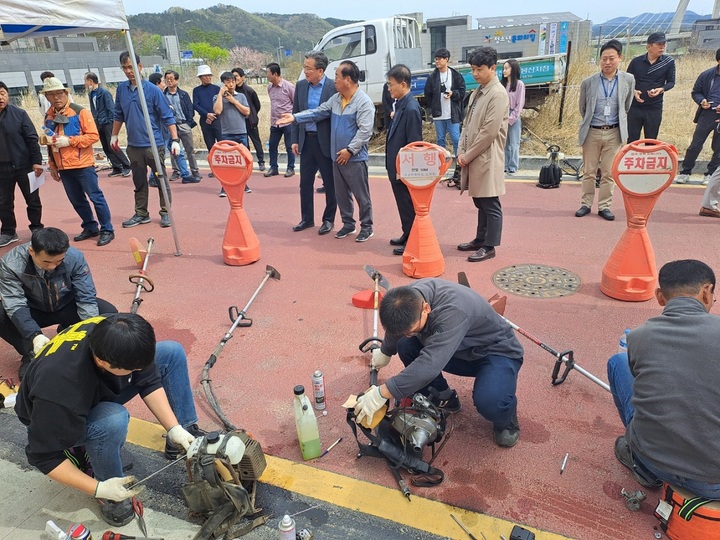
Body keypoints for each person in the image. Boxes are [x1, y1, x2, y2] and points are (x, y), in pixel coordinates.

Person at [14, 312, 206, 526]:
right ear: (101, 361)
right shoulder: (59, 391)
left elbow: (148, 379)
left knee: (171, 352)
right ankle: (112, 491)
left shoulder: (111, 331)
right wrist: (98, 488)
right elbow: (43, 456)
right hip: (54, 415)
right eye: (133, 369)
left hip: (91, 388)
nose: (139, 371)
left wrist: (174, 428)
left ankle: (185, 436)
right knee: (112, 419)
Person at [355, 279, 524, 447]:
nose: (408, 334)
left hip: (495, 353)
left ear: (426, 309)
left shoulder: (452, 312)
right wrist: (386, 350)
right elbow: (398, 329)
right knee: (405, 344)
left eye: (412, 330)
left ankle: (506, 420)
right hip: (457, 348)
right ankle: (443, 397)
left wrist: (382, 393)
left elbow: (429, 365)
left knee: (490, 401)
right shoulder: (407, 298)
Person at [607, 259, 720, 499]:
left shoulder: (639, 337)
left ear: (659, 296)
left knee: (618, 362)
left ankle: (641, 464)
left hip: (654, 461)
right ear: (707, 291)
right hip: (714, 482)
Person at [278, 60, 376, 242]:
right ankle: (348, 224)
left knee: (361, 195)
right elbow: (317, 112)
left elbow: (365, 132)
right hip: (336, 156)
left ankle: (367, 226)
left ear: (348, 79)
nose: (335, 80)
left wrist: (350, 150)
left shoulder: (363, 102)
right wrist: (294, 117)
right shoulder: (337, 99)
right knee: (341, 194)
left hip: (353, 158)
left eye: (337, 77)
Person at [0, 227, 117, 379]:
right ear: (31, 251)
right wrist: (34, 336)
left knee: (108, 313)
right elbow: (15, 304)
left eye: (58, 261)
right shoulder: (10, 264)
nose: (52, 267)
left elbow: (86, 296)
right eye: (46, 262)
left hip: (66, 305)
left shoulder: (74, 257)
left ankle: (69, 330)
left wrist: (90, 330)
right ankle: (30, 352)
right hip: (32, 309)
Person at [41, 77, 115, 247]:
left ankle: (107, 229)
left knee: (96, 197)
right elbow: (51, 143)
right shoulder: (49, 116)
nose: (56, 97)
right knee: (77, 200)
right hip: (64, 167)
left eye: (59, 93)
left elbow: (93, 136)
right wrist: (53, 166)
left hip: (83, 165)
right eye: (51, 94)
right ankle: (90, 226)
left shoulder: (80, 112)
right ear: (46, 97)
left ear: (66, 93)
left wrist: (70, 141)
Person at [111, 51, 180, 229]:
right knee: (139, 181)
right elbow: (118, 114)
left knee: (161, 179)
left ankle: (166, 213)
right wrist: (114, 135)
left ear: (140, 66)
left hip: (153, 144)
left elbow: (167, 116)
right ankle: (141, 213)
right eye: (125, 68)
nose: (128, 71)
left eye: (131, 67)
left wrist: (175, 139)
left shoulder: (152, 90)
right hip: (134, 146)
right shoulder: (121, 90)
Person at [456, 47, 509, 263]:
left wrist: (466, 155)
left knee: (490, 202)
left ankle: (489, 246)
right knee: (480, 200)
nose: (475, 73)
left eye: (479, 69)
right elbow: (467, 125)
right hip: (475, 156)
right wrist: (461, 150)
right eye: (472, 69)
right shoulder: (479, 91)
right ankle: (480, 238)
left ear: (493, 68)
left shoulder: (497, 94)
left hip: (486, 157)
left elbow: (489, 132)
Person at [575, 39, 634, 221]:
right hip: (592, 131)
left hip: (614, 132)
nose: (607, 62)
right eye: (604, 59)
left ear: (619, 58)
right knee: (589, 171)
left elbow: (627, 105)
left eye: (611, 58)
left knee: (609, 173)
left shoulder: (628, 80)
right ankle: (586, 204)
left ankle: (604, 206)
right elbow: (583, 108)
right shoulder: (589, 82)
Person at [290, 51, 337, 235]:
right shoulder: (301, 86)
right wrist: (294, 139)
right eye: (304, 68)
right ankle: (307, 218)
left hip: (325, 142)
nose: (305, 72)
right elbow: (295, 113)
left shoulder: (333, 87)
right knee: (305, 183)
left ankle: (328, 219)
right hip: (306, 141)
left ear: (321, 70)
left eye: (308, 69)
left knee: (330, 183)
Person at [384, 64, 423, 256]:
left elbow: (414, 144)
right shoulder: (400, 104)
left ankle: (412, 240)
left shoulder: (411, 108)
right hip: (396, 166)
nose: (389, 88)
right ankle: (407, 234)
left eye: (391, 84)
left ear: (403, 84)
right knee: (402, 204)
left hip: (404, 168)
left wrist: (405, 170)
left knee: (408, 204)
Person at [0, 81, 44, 248]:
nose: (0, 97)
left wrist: (37, 162)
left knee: (32, 199)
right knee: (3, 201)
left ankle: (36, 228)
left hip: (25, 166)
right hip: (1, 168)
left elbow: (32, 139)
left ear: (7, 95)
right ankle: (8, 231)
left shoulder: (19, 114)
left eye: (3, 93)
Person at [675, 48, 720, 185]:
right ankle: (685, 172)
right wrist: (702, 101)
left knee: (718, 148)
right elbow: (696, 92)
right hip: (707, 114)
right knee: (695, 145)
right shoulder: (707, 75)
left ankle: (710, 174)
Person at [148, 73, 197, 186]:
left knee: (178, 151)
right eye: (163, 81)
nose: (165, 83)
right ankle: (153, 177)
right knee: (161, 153)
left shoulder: (161, 94)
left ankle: (185, 174)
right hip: (160, 130)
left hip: (168, 129)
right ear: (157, 83)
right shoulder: (154, 95)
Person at [626, 32, 675, 144]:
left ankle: (648, 160)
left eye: (664, 44)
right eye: (659, 44)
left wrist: (661, 89)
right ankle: (633, 160)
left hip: (654, 107)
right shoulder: (636, 61)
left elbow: (671, 82)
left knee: (651, 140)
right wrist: (633, 91)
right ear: (648, 46)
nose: (662, 47)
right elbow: (627, 81)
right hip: (635, 107)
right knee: (632, 139)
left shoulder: (668, 62)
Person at [84, 73, 131, 177]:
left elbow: (111, 109)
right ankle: (117, 167)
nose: (85, 84)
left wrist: (110, 122)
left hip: (107, 123)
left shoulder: (104, 93)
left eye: (86, 81)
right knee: (105, 147)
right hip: (98, 123)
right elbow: (94, 110)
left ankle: (126, 165)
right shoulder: (91, 94)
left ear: (91, 81)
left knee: (112, 145)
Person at [213, 71, 252, 195]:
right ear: (223, 83)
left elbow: (247, 112)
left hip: (241, 132)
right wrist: (221, 94)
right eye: (228, 82)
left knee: (243, 161)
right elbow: (217, 111)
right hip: (226, 134)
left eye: (233, 81)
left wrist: (233, 101)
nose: (231, 84)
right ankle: (225, 186)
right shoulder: (217, 97)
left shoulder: (241, 96)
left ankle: (243, 183)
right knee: (227, 162)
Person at [423, 48, 466, 158]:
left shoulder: (455, 75)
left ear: (446, 59)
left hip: (452, 114)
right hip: (438, 115)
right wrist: (433, 106)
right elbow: (427, 94)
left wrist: (453, 94)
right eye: (436, 59)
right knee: (440, 140)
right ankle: (441, 164)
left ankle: (459, 167)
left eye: (439, 59)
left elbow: (462, 92)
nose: (437, 61)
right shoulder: (432, 77)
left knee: (456, 139)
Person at [164, 70, 202, 182]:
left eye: (171, 78)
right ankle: (176, 171)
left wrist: (188, 123)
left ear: (177, 80)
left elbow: (190, 108)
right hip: (170, 126)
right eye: (167, 79)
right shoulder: (163, 95)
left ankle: (195, 171)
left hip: (183, 124)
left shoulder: (183, 94)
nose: (169, 81)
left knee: (189, 149)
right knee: (173, 150)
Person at [265, 63, 296, 178]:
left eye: (268, 73)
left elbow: (295, 103)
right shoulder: (269, 87)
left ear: (275, 74)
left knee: (289, 146)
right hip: (275, 122)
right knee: (272, 145)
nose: (267, 76)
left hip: (287, 123)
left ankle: (290, 168)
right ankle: (273, 168)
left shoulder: (289, 87)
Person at [232, 68, 265, 172]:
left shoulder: (249, 90)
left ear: (243, 77)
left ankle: (261, 162)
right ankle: (247, 163)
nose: (235, 78)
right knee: (243, 144)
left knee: (256, 142)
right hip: (239, 122)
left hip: (250, 121)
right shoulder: (232, 92)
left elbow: (257, 105)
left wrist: (253, 115)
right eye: (233, 76)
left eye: (236, 76)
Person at [192, 65, 222, 178]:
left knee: (221, 144)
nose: (208, 78)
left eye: (209, 75)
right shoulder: (197, 90)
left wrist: (214, 114)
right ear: (200, 77)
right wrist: (206, 114)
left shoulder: (216, 88)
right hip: (205, 121)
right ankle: (215, 169)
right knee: (211, 146)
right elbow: (195, 105)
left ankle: (223, 167)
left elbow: (220, 103)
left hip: (217, 119)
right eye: (205, 76)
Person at [501, 59, 525, 175]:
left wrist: (511, 118)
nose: (504, 71)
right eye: (503, 68)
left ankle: (513, 166)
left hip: (513, 115)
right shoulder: (502, 85)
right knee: (503, 143)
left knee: (514, 143)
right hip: (502, 114)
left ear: (513, 69)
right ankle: (504, 165)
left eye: (507, 68)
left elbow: (519, 104)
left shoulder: (519, 84)